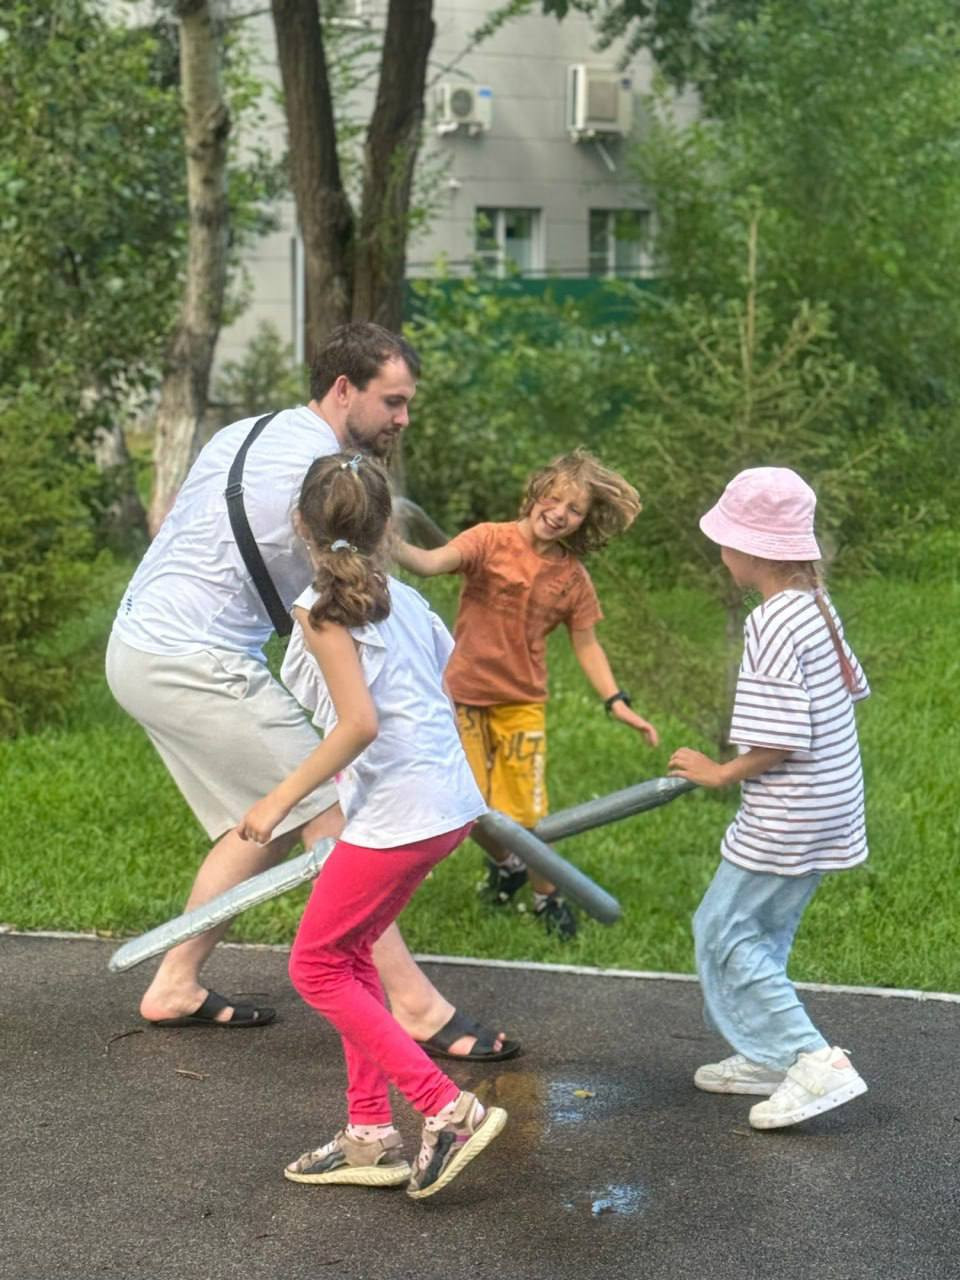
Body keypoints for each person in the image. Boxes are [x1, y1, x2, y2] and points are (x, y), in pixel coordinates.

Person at [106, 322, 517, 1061]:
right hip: (190, 658)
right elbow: (350, 605)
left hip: (141, 643)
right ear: (343, 389)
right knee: (330, 811)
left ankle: (175, 983)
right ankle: (415, 1006)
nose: (403, 419)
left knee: (266, 817)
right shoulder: (315, 483)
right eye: (392, 402)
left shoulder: (248, 431)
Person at [239, 451, 507, 1198]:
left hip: (399, 815)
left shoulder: (322, 611)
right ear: (387, 526)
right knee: (349, 954)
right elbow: (443, 682)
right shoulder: (407, 601)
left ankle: (446, 1109)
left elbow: (359, 723)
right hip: (443, 805)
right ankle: (368, 1134)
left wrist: (277, 800)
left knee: (313, 967)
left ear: (301, 525)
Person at [668, 466, 870, 1130]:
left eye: (725, 541)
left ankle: (812, 1059)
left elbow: (781, 735)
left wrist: (720, 773)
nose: (720, 552)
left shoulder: (773, 620)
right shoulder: (816, 603)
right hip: (830, 801)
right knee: (763, 932)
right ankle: (767, 1053)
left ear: (751, 549)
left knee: (723, 931)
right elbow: (849, 690)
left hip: (789, 811)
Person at [393, 449, 659, 940]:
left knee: (526, 817)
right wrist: (388, 541)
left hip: (520, 706)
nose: (559, 514)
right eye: (554, 499)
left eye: (574, 510)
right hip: (463, 698)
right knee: (466, 807)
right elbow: (429, 563)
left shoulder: (572, 578)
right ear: (536, 492)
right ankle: (507, 864)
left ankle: (546, 895)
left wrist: (616, 701)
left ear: (584, 521)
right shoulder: (488, 539)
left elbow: (587, 644)